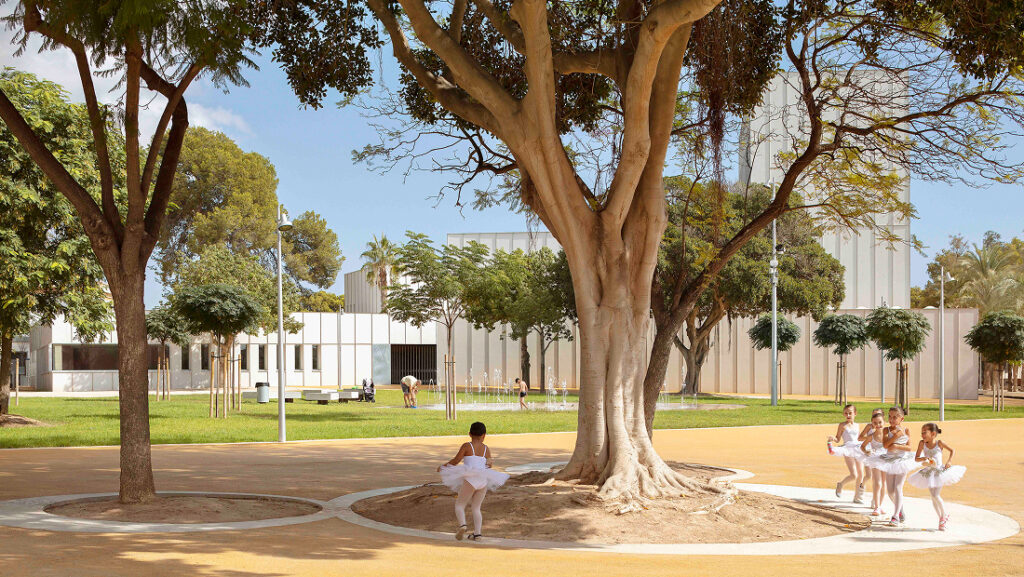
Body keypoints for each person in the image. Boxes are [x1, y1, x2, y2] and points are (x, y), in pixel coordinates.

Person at [437, 421, 509, 541]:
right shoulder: (486, 449)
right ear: (484, 435)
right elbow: (489, 464)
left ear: (470, 434)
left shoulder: (466, 446)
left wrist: (443, 466)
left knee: (460, 505)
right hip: (483, 479)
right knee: (476, 507)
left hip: (470, 479)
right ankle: (477, 534)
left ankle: (463, 525)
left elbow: (455, 461)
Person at [864, 407, 919, 527]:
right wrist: (895, 438)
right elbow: (886, 446)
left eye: (895, 417)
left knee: (898, 487)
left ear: (901, 418)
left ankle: (895, 517)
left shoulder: (906, 430)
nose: (891, 419)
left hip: (901, 461)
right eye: (890, 416)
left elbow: (909, 448)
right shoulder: (886, 430)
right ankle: (900, 509)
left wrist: (896, 445)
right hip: (889, 461)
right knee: (890, 491)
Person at [908, 423, 966, 531]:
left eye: (925, 432)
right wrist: (924, 458)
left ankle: (944, 515)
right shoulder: (922, 443)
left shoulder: (939, 443)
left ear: (933, 434)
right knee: (933, 497)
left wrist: (949, 461)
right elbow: (916, 458)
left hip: (939, 472)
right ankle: (941, 519)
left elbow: (952, 450)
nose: (922, 435)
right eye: (922, 432)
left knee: (936, 495)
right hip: (929, 472)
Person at [826, 404, 866, 503]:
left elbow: (858, 438)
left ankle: (857, 497)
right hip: (848, 449)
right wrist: (832, 439)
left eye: (850, 413)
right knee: (854, 475)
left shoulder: (857, 425)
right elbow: (838, 438)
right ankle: (841, 484)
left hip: (857, 449)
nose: (848, 415)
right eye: (846, 413)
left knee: (861, 474)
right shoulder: (842, 425)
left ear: (855, 413)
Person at [858, 409, 888, 516]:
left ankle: (880, 505)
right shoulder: (871, 436)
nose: (878, 425)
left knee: (884, 483)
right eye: (875, 423)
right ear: (872, 424)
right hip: (875, 459)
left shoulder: (888, 434)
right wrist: (867, 451)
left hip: (886, 459)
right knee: (878, 482)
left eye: (880, 422)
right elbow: (862, 446)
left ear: (884, 422)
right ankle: (876, 507)